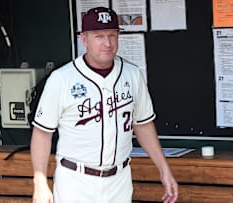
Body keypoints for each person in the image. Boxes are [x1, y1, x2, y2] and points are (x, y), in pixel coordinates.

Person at [30, 6, 178, 203]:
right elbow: (42, 133)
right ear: (84, 39)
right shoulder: (62, 79)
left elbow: (142, 125)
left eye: (112, 35)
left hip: (119, 179)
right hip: (76, 180)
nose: (107, 43)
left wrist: (164, 169)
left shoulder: (132, 74)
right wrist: (40, 182)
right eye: (99, 36)